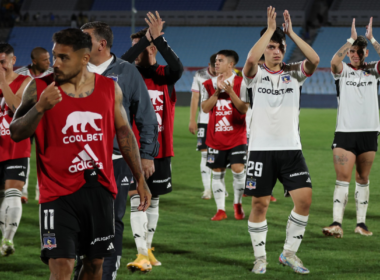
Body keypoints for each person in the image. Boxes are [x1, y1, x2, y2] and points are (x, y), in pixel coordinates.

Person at [9, 28, 151, 279]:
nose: (56, 63)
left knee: (95, 263)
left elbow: (125, 133)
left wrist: (139, 178)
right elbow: (16, 132)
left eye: (64, 57)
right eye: (55, 56)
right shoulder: (40, 86)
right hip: (56, 193)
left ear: (84, 59)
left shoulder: (109, 89)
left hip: (100, 190)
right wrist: (40, 107)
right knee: (62, 265)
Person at [77, 21, 158, 279]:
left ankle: (107, 272)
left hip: (116, 158)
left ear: (101, 44)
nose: (79, 43)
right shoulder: (73, 69)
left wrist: (145, 155)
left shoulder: (126, 72)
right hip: (78, 159)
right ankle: (82, 267)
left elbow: (146, 115)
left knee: (112, 220)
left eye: (85, 38)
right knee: (79, 219)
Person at [242, 7, 319, 274]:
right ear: (265, 48)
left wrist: (291, 34)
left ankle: (289, 253)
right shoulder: (254, 74)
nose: (276, 51)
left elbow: (315, 58)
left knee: (305, 200)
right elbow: (251, 59)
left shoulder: (295, 72)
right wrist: (270, 29)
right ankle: (260, 257)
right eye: (272, 47)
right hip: (261, 150)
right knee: (260, 204)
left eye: (280, 47)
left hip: (291, 149)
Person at [121, 11, 183, 272]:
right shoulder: (125, 76)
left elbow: (177, 67)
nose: (140, 53)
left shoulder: (165, 76)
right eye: (137, 48)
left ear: (155, 50)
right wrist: (144, 41)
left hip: (161, 150)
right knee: (137, 198)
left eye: (146, 48)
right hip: (133, 150)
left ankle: (148, 250)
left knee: (154, 200)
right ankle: (141, 254)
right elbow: (119, 63)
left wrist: (157, 40)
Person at [322, 17, 380, 238]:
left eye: (359, 51)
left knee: (363, 179)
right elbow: (333, 61)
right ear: (348, 53)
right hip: (345, 133)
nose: (355, 54)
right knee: (342, 178)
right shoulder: (342, 70)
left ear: (366, 53)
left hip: (369, 132)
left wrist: (373, 39)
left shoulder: (375, 70)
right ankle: (336, 223)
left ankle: (361, 224)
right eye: (352, 51)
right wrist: (350, 39)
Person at [202, 49, 249, 221]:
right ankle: (220, 209)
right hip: (216, 138)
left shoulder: (242, 82)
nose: (216, 63)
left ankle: (237, 204)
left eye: (220, 60)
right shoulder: (208, 84)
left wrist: (230, 92)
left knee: (238, 169)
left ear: (231, 64)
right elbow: (205, 108)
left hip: (237, 135)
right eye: (215, 60)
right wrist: (216, 92)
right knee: (217, 172)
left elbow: (244, 108)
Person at [0, 43, 32, 256]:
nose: (0, 66)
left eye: (2, 62)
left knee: (13, 193)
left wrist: (2, 81)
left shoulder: (26, 81)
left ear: (13, 60)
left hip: (15, 145)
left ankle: (7, 242)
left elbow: (16, 108)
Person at [15, 47, 53, 203]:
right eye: (45, 59)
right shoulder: (20, 74)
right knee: (23, 155)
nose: (49, 62)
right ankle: (22, 191)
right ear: (34, 61)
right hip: (24, 120)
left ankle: (41, 192)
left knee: (45, 156)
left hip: (44, 120)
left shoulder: (53, 75)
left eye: (49, 59)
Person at [189, 54, 217, 199]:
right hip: (204, 121)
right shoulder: (200, 75)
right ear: (209, 65)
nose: (216, 70)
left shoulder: (227, 75)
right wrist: (192, 120)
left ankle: (219, 187)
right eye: (214, 67)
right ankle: (207, 189)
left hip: (221, 121)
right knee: (205, 154)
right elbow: (195, 97)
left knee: (220, 156)